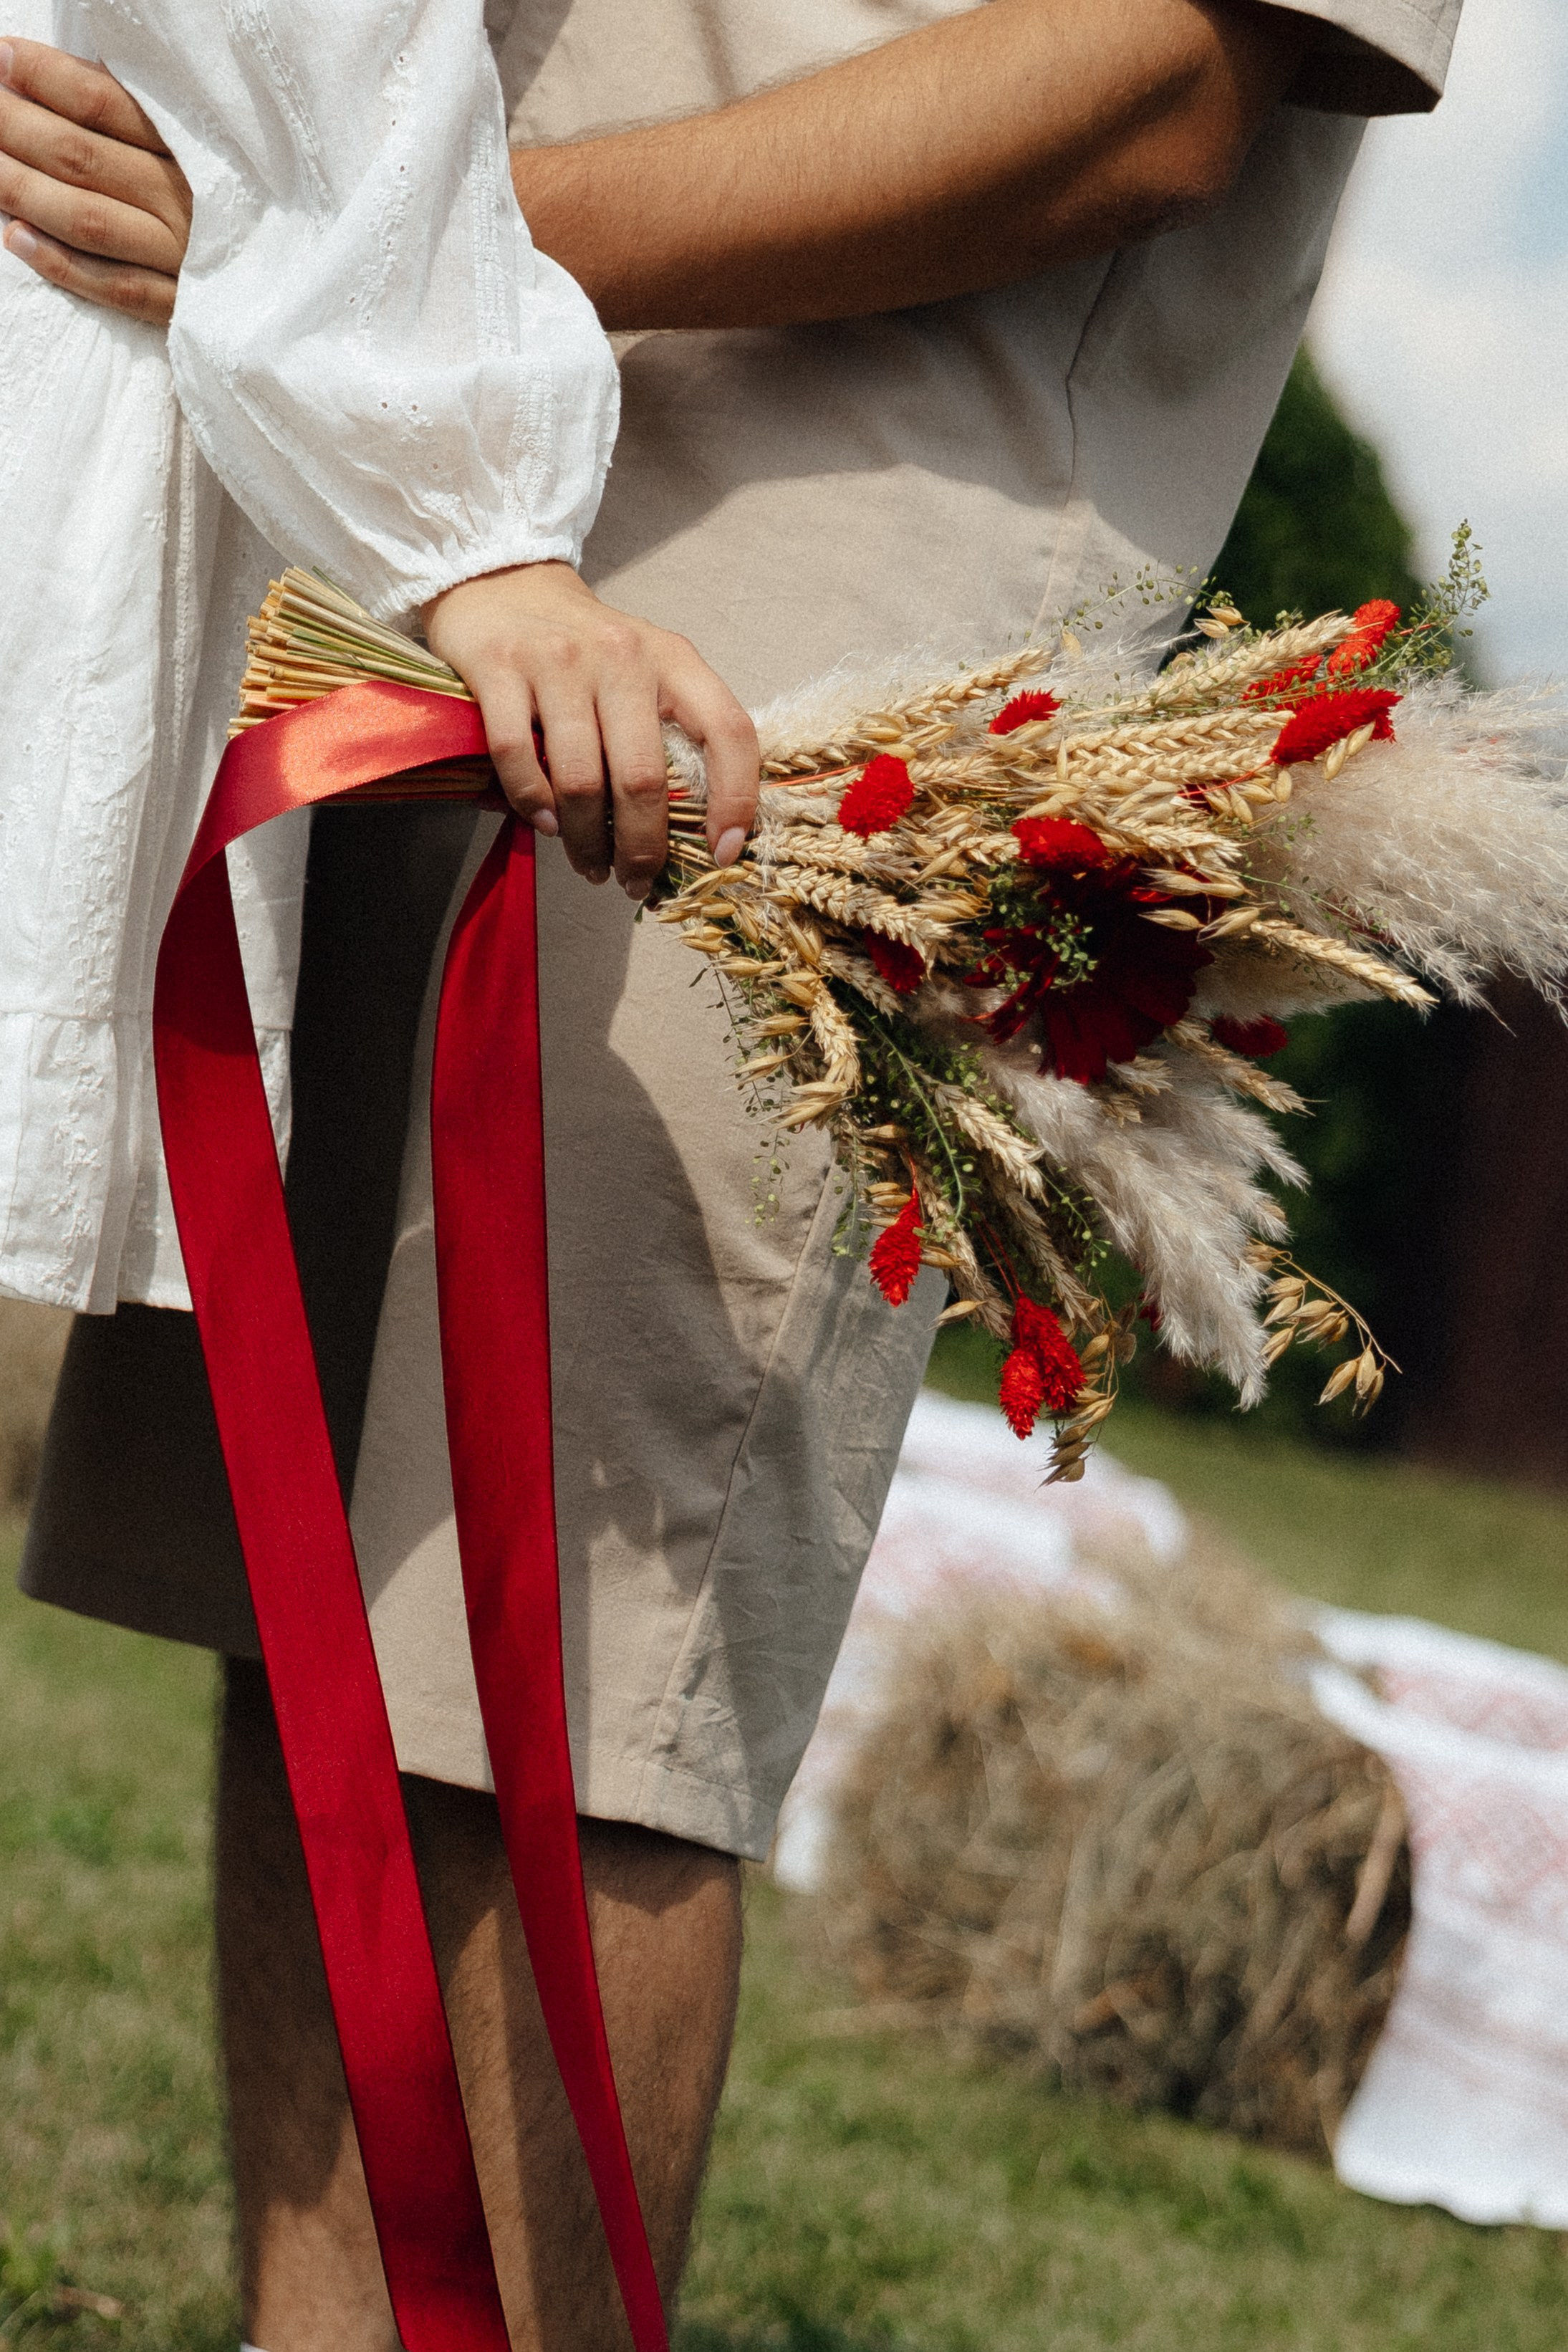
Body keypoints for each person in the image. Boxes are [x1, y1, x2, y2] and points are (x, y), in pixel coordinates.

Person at [0, 0, 1463, 2346]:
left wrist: (421, 267)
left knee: (563, 1631)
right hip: (407, 397)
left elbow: (1174, 68)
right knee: (328, 1576)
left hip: (848, 454)